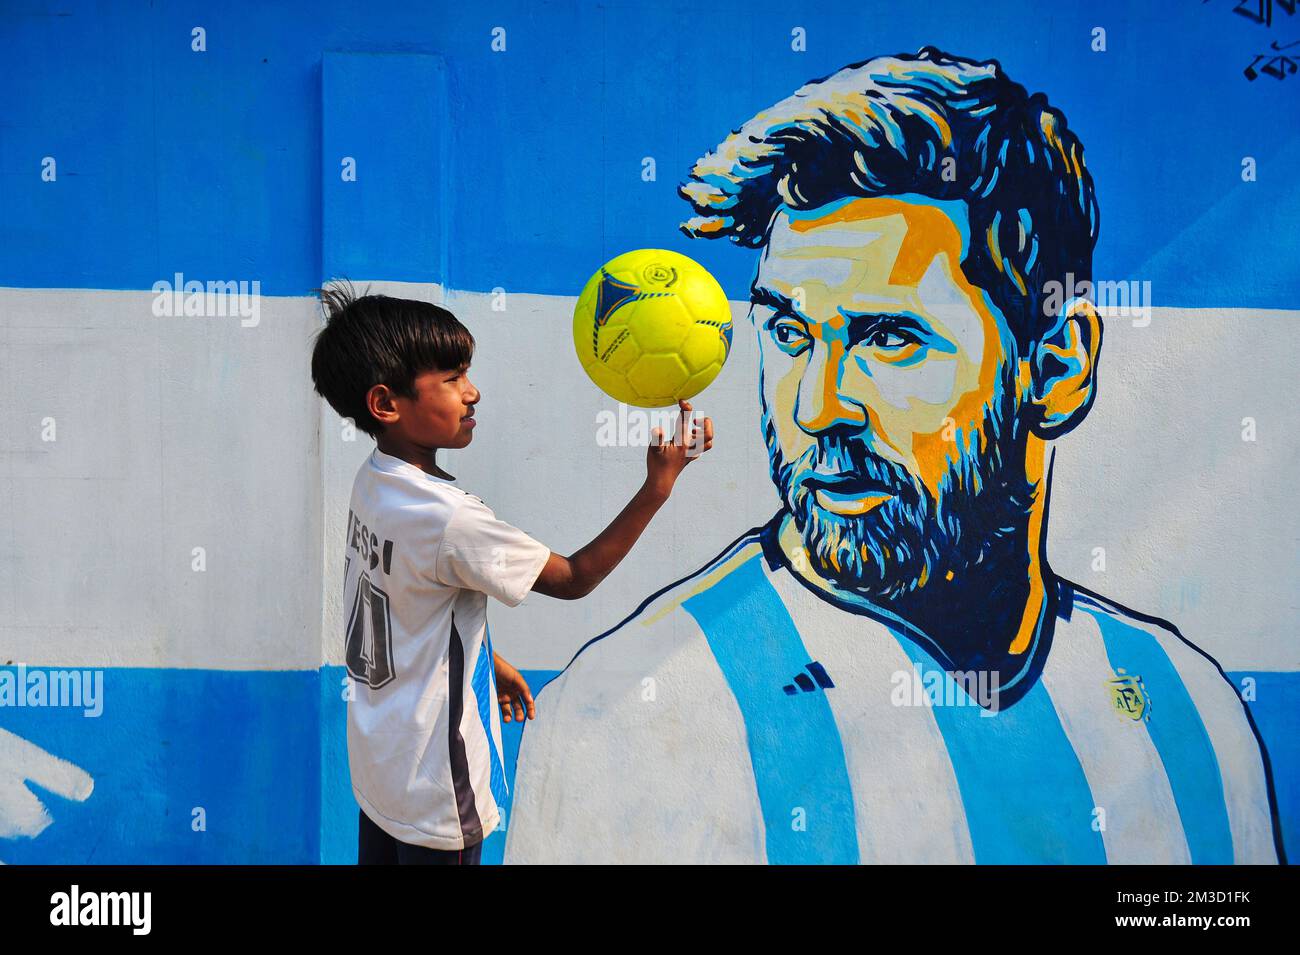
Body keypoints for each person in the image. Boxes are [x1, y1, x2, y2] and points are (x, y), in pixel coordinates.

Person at [505, 47, 1284, 864]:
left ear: (1057, 369)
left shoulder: (1190, 714)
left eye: (889, 336)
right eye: (790, 333)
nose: (817, 406)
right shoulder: (626, 721)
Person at [309, 284, 713, 864]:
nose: (472, 393)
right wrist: (658, 486)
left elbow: (404, 602)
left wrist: (484, 661)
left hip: (382, 773)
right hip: (438, 790)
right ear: (385, 404)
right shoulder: (449, 518)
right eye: (450, 379)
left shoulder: (374, 481)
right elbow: (574, 578)